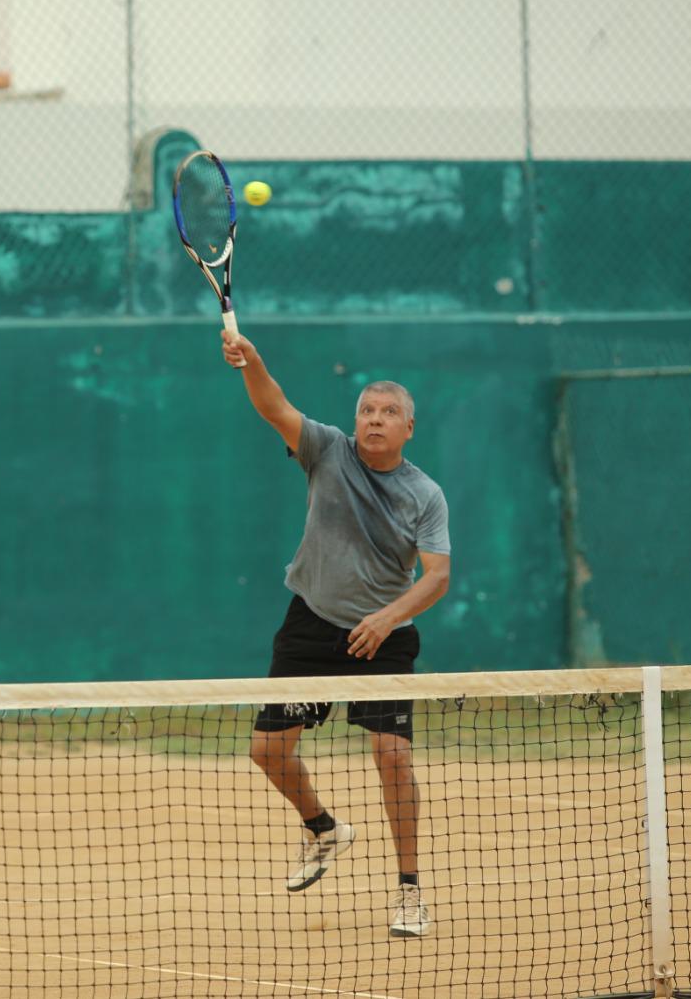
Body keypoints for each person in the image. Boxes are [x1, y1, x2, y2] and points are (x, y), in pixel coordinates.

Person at [223, 330, 451, 939]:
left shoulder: (424, 495)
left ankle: (409, 892)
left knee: (392, 756)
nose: (375, 420)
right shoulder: (326, 450)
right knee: (268, 752)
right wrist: (254, 362)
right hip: (312, 623)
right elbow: (273, 404)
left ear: (409, 427)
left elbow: (438, 577)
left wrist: (388, 616)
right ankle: (324, 829)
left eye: (388, 413)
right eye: (367, 411)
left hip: (384, 637)